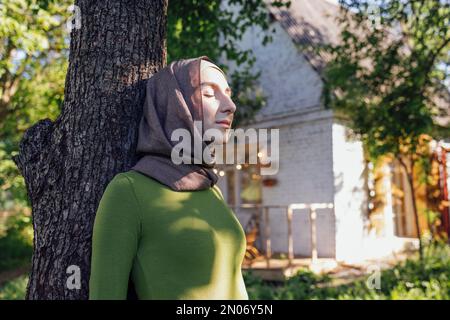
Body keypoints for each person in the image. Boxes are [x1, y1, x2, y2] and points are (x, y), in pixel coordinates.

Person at [88, 56, 249, 300]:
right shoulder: (129, 191)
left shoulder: (209, 187)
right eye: (209, 93)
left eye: (228, 93)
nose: (230, 105)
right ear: (175, 104)